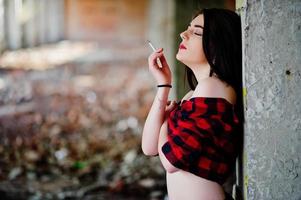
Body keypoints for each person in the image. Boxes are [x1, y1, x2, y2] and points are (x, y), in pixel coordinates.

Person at [142, 8, 244, 200]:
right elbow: (149, 147)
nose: (183, 34)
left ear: (217, 46)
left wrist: (166, 122)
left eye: (197, 32)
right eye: (189, 28)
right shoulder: (194, 94)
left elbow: (173, 160)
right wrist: (163, 86)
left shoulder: (214, 88)